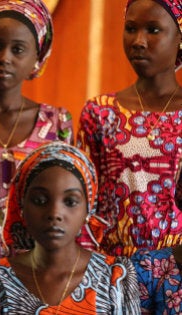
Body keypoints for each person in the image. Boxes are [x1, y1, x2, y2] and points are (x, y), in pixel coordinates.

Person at [0, 0, 73, 257]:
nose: (4, 58)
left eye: (18, 49)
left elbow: (69, 204)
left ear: (37, 58)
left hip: (34, 274)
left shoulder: (56, 124)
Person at [78, 0, 182, 257]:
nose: (138, 40)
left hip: (176, 276)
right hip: (112, 275)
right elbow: (82, 203)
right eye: (131, 28)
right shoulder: (100, 112)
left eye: (153, 30)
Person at [0, 142, 140, 314]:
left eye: (71, 201)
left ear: (88, 210)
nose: (54, 213)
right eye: (40, 200)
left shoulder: (114, 277)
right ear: (21, 207)